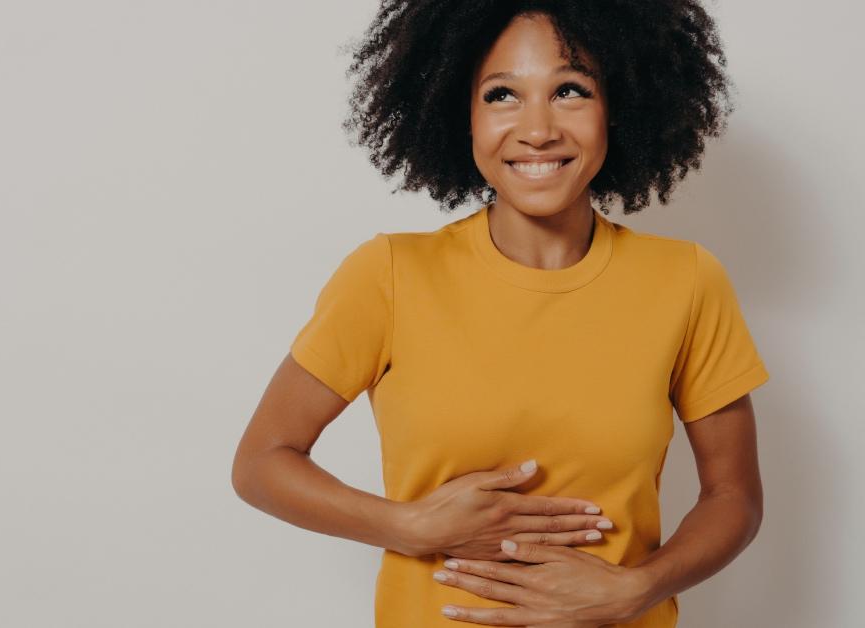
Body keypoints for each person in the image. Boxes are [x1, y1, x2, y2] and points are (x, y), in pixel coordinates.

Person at [231, 1, 769, 626]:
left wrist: (638, 588)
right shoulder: (391, 275)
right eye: (501, 95)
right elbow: (262, 461)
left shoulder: (687, 280)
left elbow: (733, 496)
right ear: (459, 114)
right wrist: (407, 525)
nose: (537, 129)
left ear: (615, 107)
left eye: (570, 90)